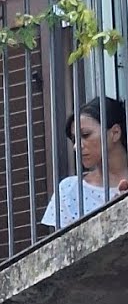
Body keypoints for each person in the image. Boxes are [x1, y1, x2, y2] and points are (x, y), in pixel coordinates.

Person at [41, 97, 128, 228]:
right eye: (74, 139)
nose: (76, 146)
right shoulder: (69, 190)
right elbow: (63, 245)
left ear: (115, 133)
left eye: (86, 135)